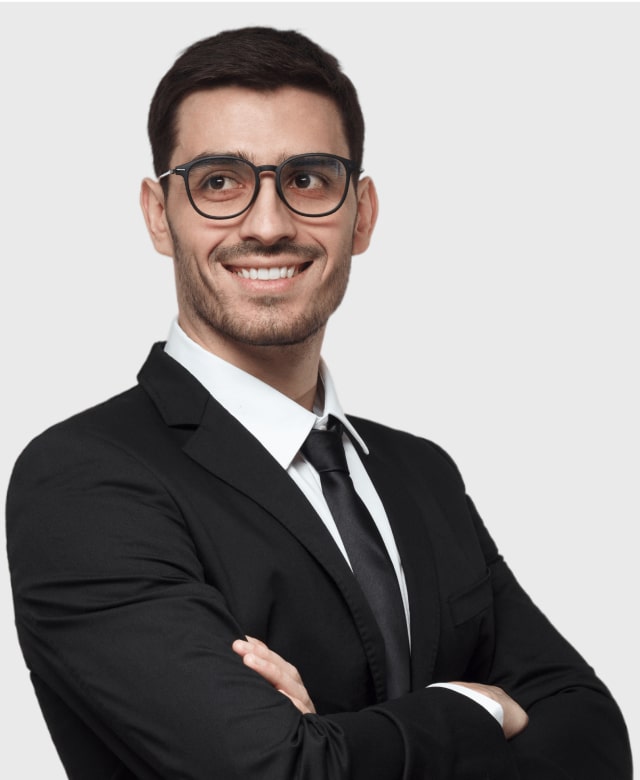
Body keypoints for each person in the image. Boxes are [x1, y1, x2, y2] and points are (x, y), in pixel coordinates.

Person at [6, 25, 632, 780]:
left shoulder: (421, 473)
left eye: (307, 179)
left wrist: (333, 741)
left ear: (361, 213)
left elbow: (597, 740)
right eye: (219, 182)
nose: (268, 225)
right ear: (157, 214)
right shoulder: (85, 481)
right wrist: (477, 707)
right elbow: (275, 771)